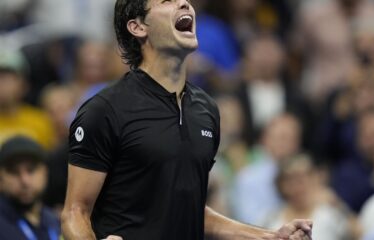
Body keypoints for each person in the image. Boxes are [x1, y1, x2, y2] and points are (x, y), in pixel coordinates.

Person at [61, 0, 313, 239]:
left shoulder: (207, 111)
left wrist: (270, 236)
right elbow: (75, 212)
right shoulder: (105, 110)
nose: (184, 4)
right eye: (167, 1)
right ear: (137, 26)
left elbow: (192, 211)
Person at [0, 136, 60, 240]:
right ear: (1, 179)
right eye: (14, 172)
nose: (24, 181)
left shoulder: (54, 220)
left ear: (45, 172)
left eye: (31, 170)